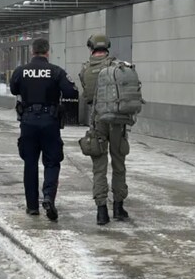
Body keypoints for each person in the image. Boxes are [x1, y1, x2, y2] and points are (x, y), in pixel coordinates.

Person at [10, 38, 78, 221]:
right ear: (47, 52)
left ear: (32, 52)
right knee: (52, 161)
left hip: (28, 121)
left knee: (30, 163)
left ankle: (32, 206)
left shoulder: (20, 71)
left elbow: (13, 89)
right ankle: (48, 196)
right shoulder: (56, 71)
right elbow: (72, 92)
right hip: (50, 121)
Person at [79, 33, 131, 225]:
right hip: (117, 122)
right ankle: (118, 206)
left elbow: (87, 96)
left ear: (91, 47)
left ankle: (101, 211)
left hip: (97, 121)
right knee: (118, 164)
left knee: (99, 167)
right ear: (107, 47)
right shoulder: (117, 66)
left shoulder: (85, 69)